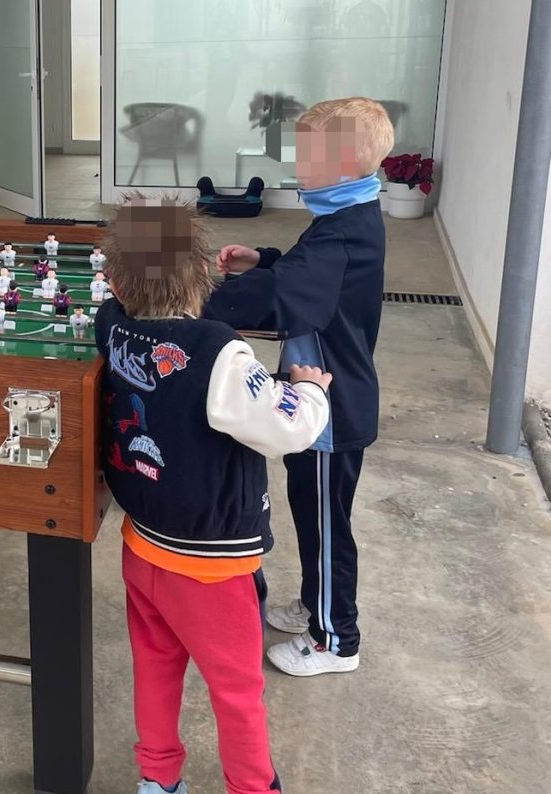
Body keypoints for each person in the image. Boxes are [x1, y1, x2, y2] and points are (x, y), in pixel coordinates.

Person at [96, 199, 332, 794]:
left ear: (115, 280)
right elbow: (286, 428)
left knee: (155, 667)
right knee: (236, 690)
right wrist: (308, 390)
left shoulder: (110, 324)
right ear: (205, 274)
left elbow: (118, 308)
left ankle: (157, 778)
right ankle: (253, 786)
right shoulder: (220, 353)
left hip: (141, 547)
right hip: (211, 568)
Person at [204, 97, 394, 676]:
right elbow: (302, 272)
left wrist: (195, 303)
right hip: (316, 395)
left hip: (331, 413)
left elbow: (285, 298)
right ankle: (316, 605)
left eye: (307, 152)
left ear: (342, 163)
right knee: (310, 513)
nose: (295, 160)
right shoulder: (347, 216)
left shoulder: (341, 231)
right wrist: (260, 258)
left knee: (328, 526)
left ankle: (337, 640)